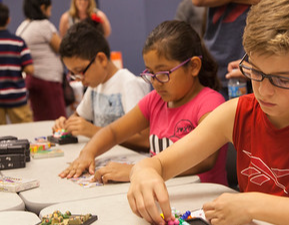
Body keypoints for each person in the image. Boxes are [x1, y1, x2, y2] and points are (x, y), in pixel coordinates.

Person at [127, 1, 289, 225]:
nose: (264, 91)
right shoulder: (236, 113)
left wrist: (253, 205)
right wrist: (144, 173)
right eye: (256, 72)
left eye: (283, 80)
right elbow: (158, 164)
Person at [59, 20, 228, 186]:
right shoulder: (155, 100)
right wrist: (88, 152)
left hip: (201, 201)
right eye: (151, 73)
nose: (155, 82)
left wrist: (138, 169)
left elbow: (204, 158)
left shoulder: (211, 103)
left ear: (193, 66)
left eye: (163, 73)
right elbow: (113, 132)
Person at [52, 22, 149, 141]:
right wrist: (65, 124)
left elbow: (145, 140)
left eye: (80, 71)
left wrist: (93, 131)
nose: (79, 80)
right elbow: (77, 117)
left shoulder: (128, 84)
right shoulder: (95, 85)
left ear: (101, 59)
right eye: (73, 74)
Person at [16, 0, 66, 121]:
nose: (51, 12)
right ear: (43, 7)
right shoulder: (44, 25)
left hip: (33, 80)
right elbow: (62, 48)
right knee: (59, 121)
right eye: (50, 8)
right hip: (48, 82)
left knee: (40, 120)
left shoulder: (22, 27)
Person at [0, 3, 34, 124]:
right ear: (8, 20)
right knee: (26, 132)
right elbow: (30, 69)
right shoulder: (18, 42)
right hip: (17, 97)